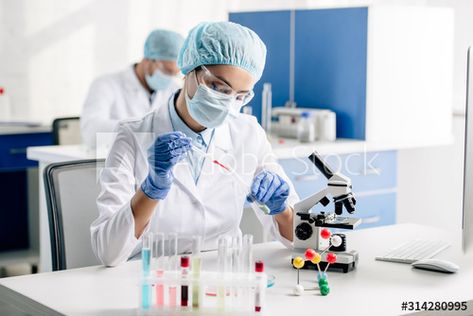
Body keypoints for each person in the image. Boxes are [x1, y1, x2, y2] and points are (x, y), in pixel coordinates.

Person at [90, 21, 299, 267]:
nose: (227, 103)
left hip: (223, 278)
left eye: (240, 96)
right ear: (189, 69)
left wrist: (281, 209)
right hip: (152, 277)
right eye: (218, 87)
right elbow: (108, 252)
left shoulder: (248, 133)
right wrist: (150, 190)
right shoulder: (132, 136)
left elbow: (297, 238)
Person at [81, 29, 184, 148]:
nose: (168, 78)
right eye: (166, 71)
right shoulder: (105, 84)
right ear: (147, 60)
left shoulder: (173, 90)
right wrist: (144, 130)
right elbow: (91, 132)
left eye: (174, 74)